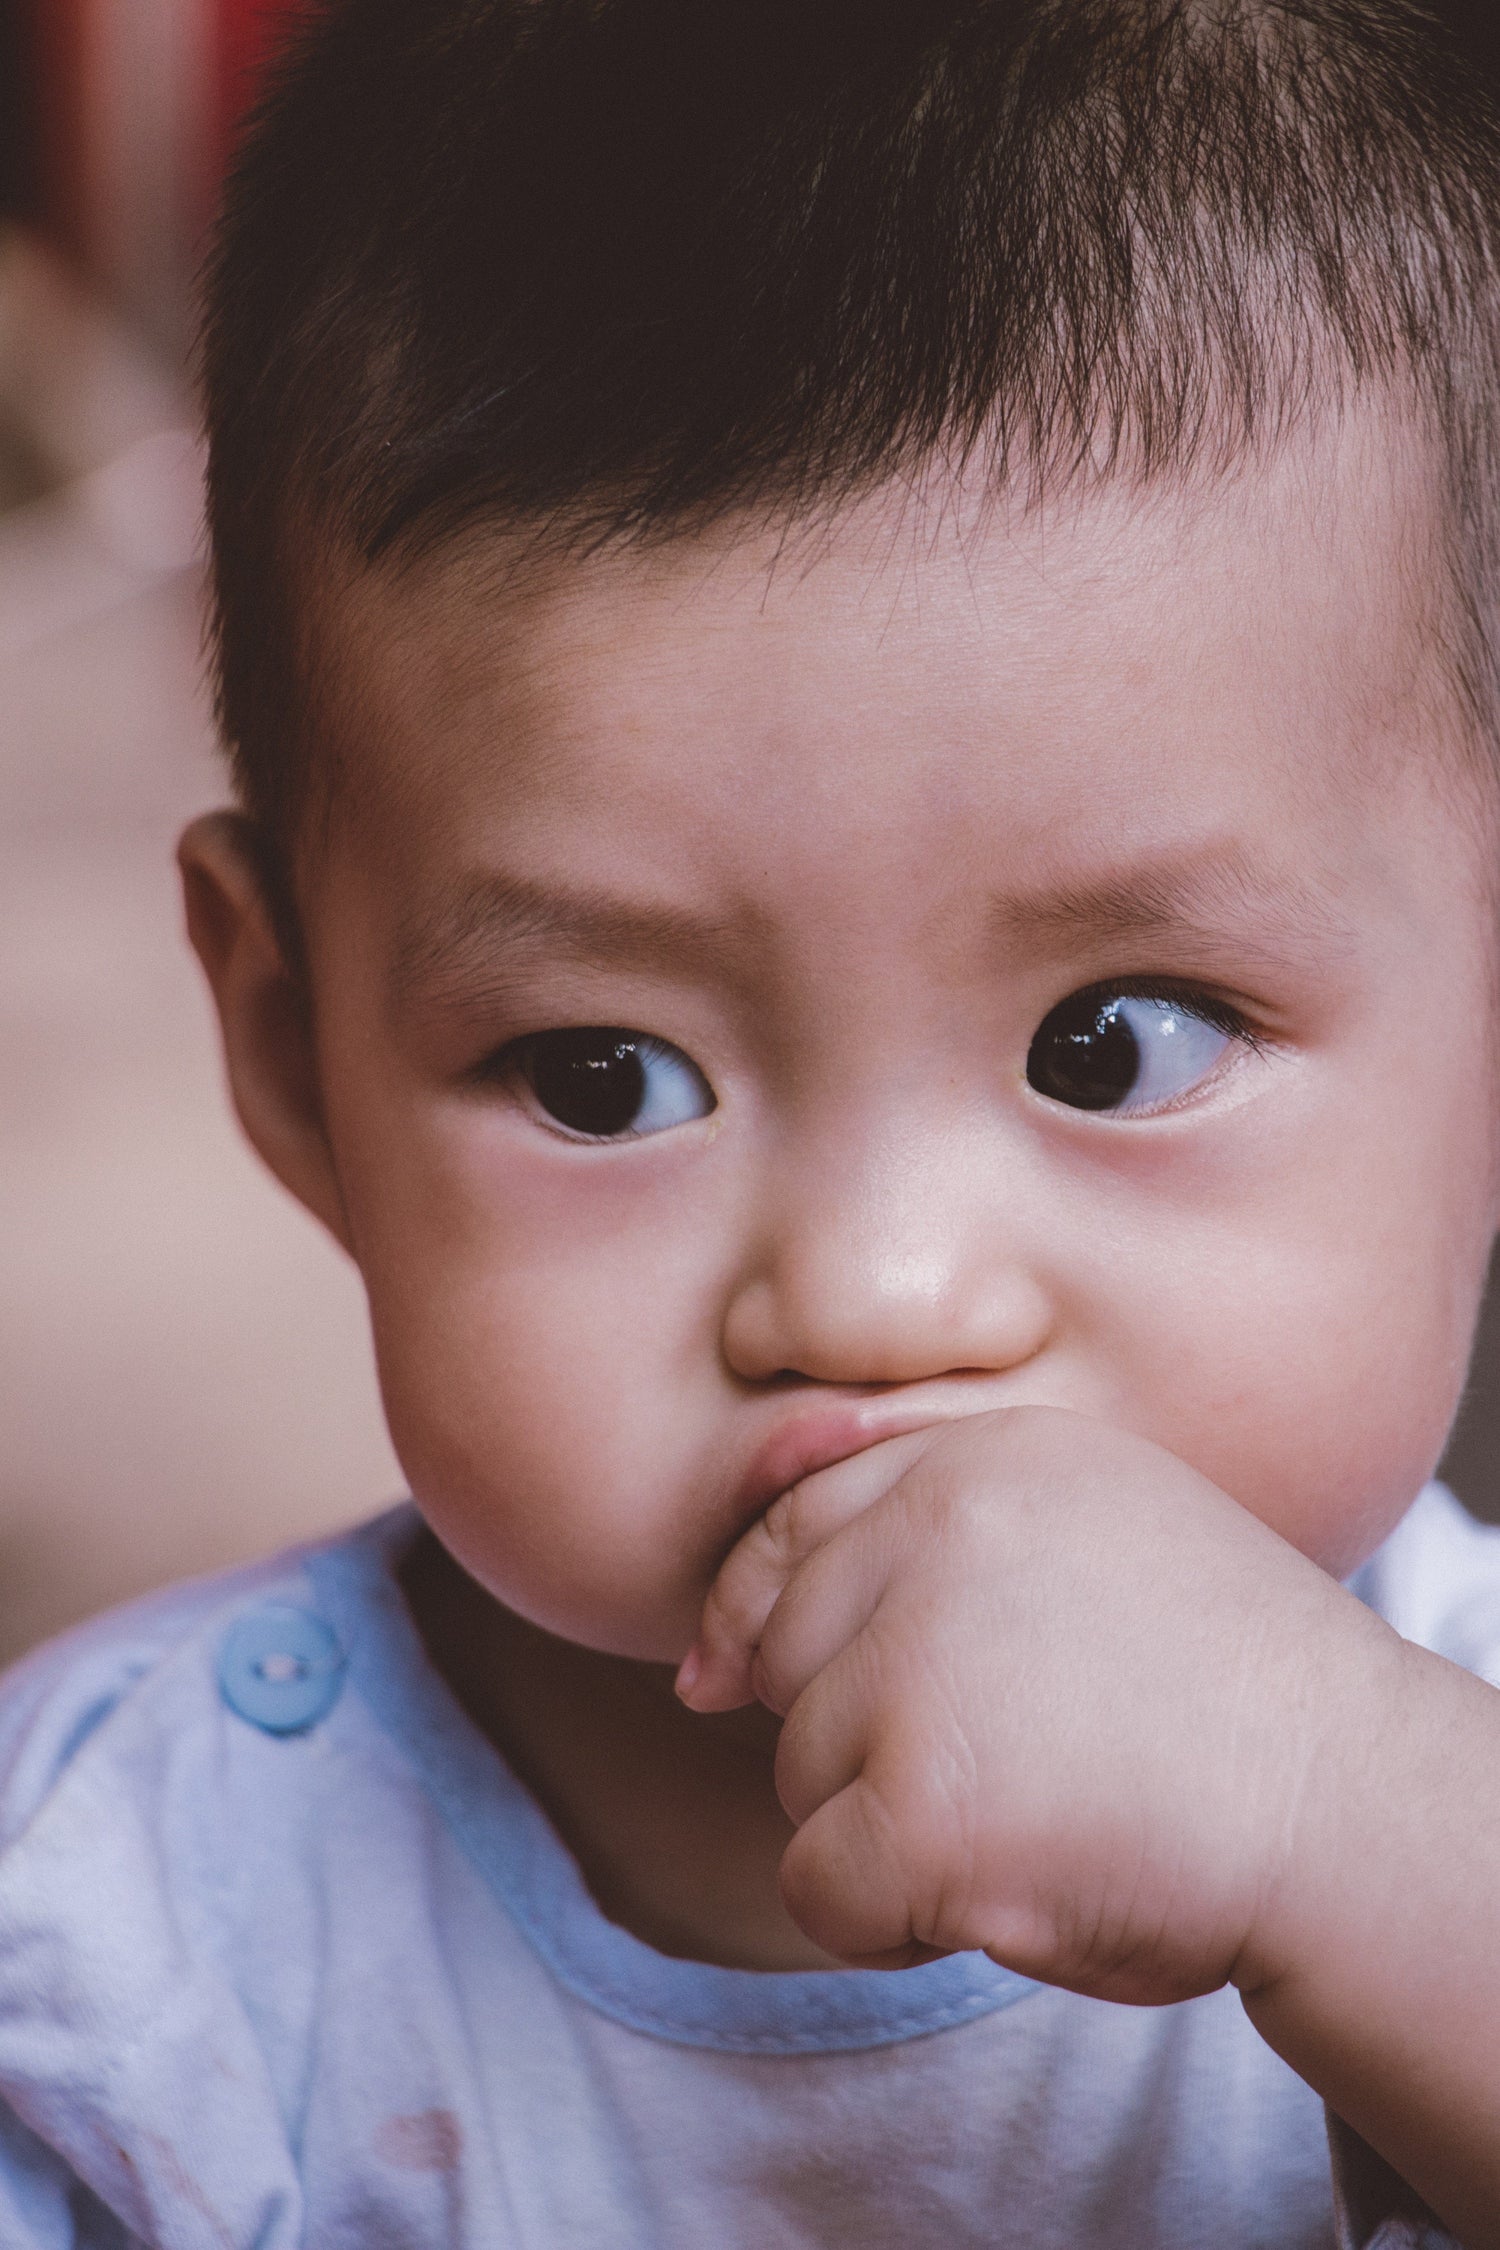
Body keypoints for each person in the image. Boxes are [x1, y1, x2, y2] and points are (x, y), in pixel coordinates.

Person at [5, 0, 1500, 2240]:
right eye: (605, 1077)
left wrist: (1337, 1819)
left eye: (1119, 1038)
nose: (877, 1292)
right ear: (297, 1062)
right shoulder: (125, 1942)